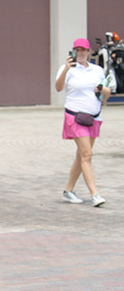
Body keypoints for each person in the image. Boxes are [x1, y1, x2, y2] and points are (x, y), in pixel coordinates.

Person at [55, 38, 108, 207]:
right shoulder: (67, 69)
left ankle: (68, 191)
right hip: (75, 116)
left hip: (94, 117)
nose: (80, 53)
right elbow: (58, 87)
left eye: (83, 50)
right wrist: (66, 70)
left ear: (89, 51)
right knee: (87, 155)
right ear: (72, 51)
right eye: (77, 50)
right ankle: (95, 194)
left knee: (81, 155)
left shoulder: (97, 70)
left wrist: (103, 90)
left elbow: (105, 93)